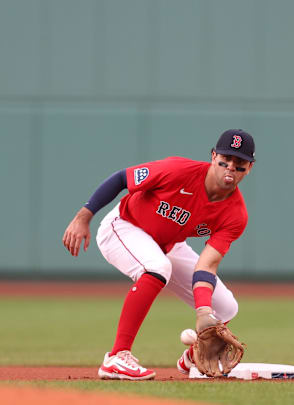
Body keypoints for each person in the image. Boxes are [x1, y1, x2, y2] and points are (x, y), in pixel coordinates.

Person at [62, 129, 255, 380]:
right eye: (225, 160)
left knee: (225, 308)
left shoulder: (235, 215)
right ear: (213, 156)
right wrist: (83, 216)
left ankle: (193, 357)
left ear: (249, 168)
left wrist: (203, 311)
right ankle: (117, 357)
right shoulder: (178, 170)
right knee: (157, 267)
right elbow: (122, 178)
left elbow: (206, 266)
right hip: (123, 225)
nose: (230, 167)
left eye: (239, 163)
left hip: (168, 244)